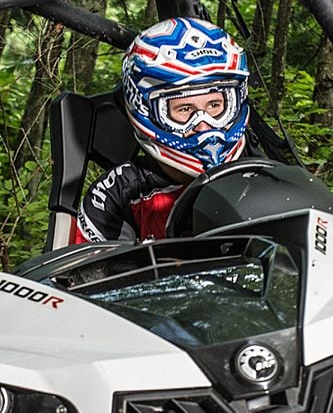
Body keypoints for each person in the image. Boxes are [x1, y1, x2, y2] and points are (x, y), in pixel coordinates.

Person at [73, 16, 250, 243]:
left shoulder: (259, 174)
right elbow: (89, 274)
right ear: (145, 108)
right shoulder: (119, 193)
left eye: (215, 106)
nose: (203, 125)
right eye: (185, 110)